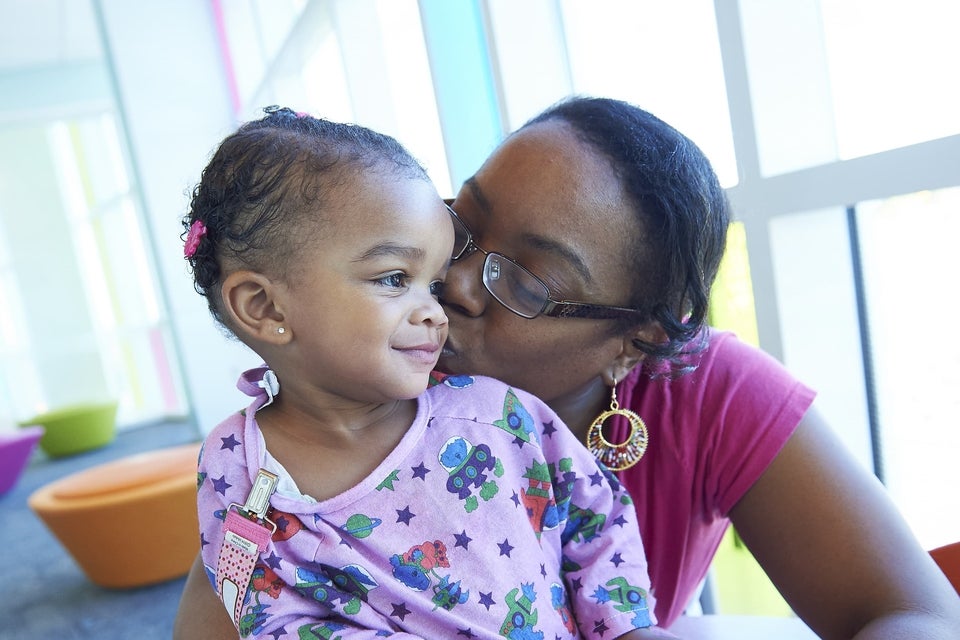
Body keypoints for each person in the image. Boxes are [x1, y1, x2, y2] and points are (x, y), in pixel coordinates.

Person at [175, 98, 960, 639]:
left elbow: (917, 615)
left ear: (635, 341)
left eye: (523, 281)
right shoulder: (343, 401)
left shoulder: (706, 392)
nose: (449, 283)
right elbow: (241, 587)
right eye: (461, 225)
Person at [182, 106, 669, 639]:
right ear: (265, 308)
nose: (436, 311)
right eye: (395, 278)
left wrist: (627, 628)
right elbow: (260, 611)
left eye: (432, 283)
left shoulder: (497, 414)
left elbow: (596, 516)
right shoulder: (240, 468)